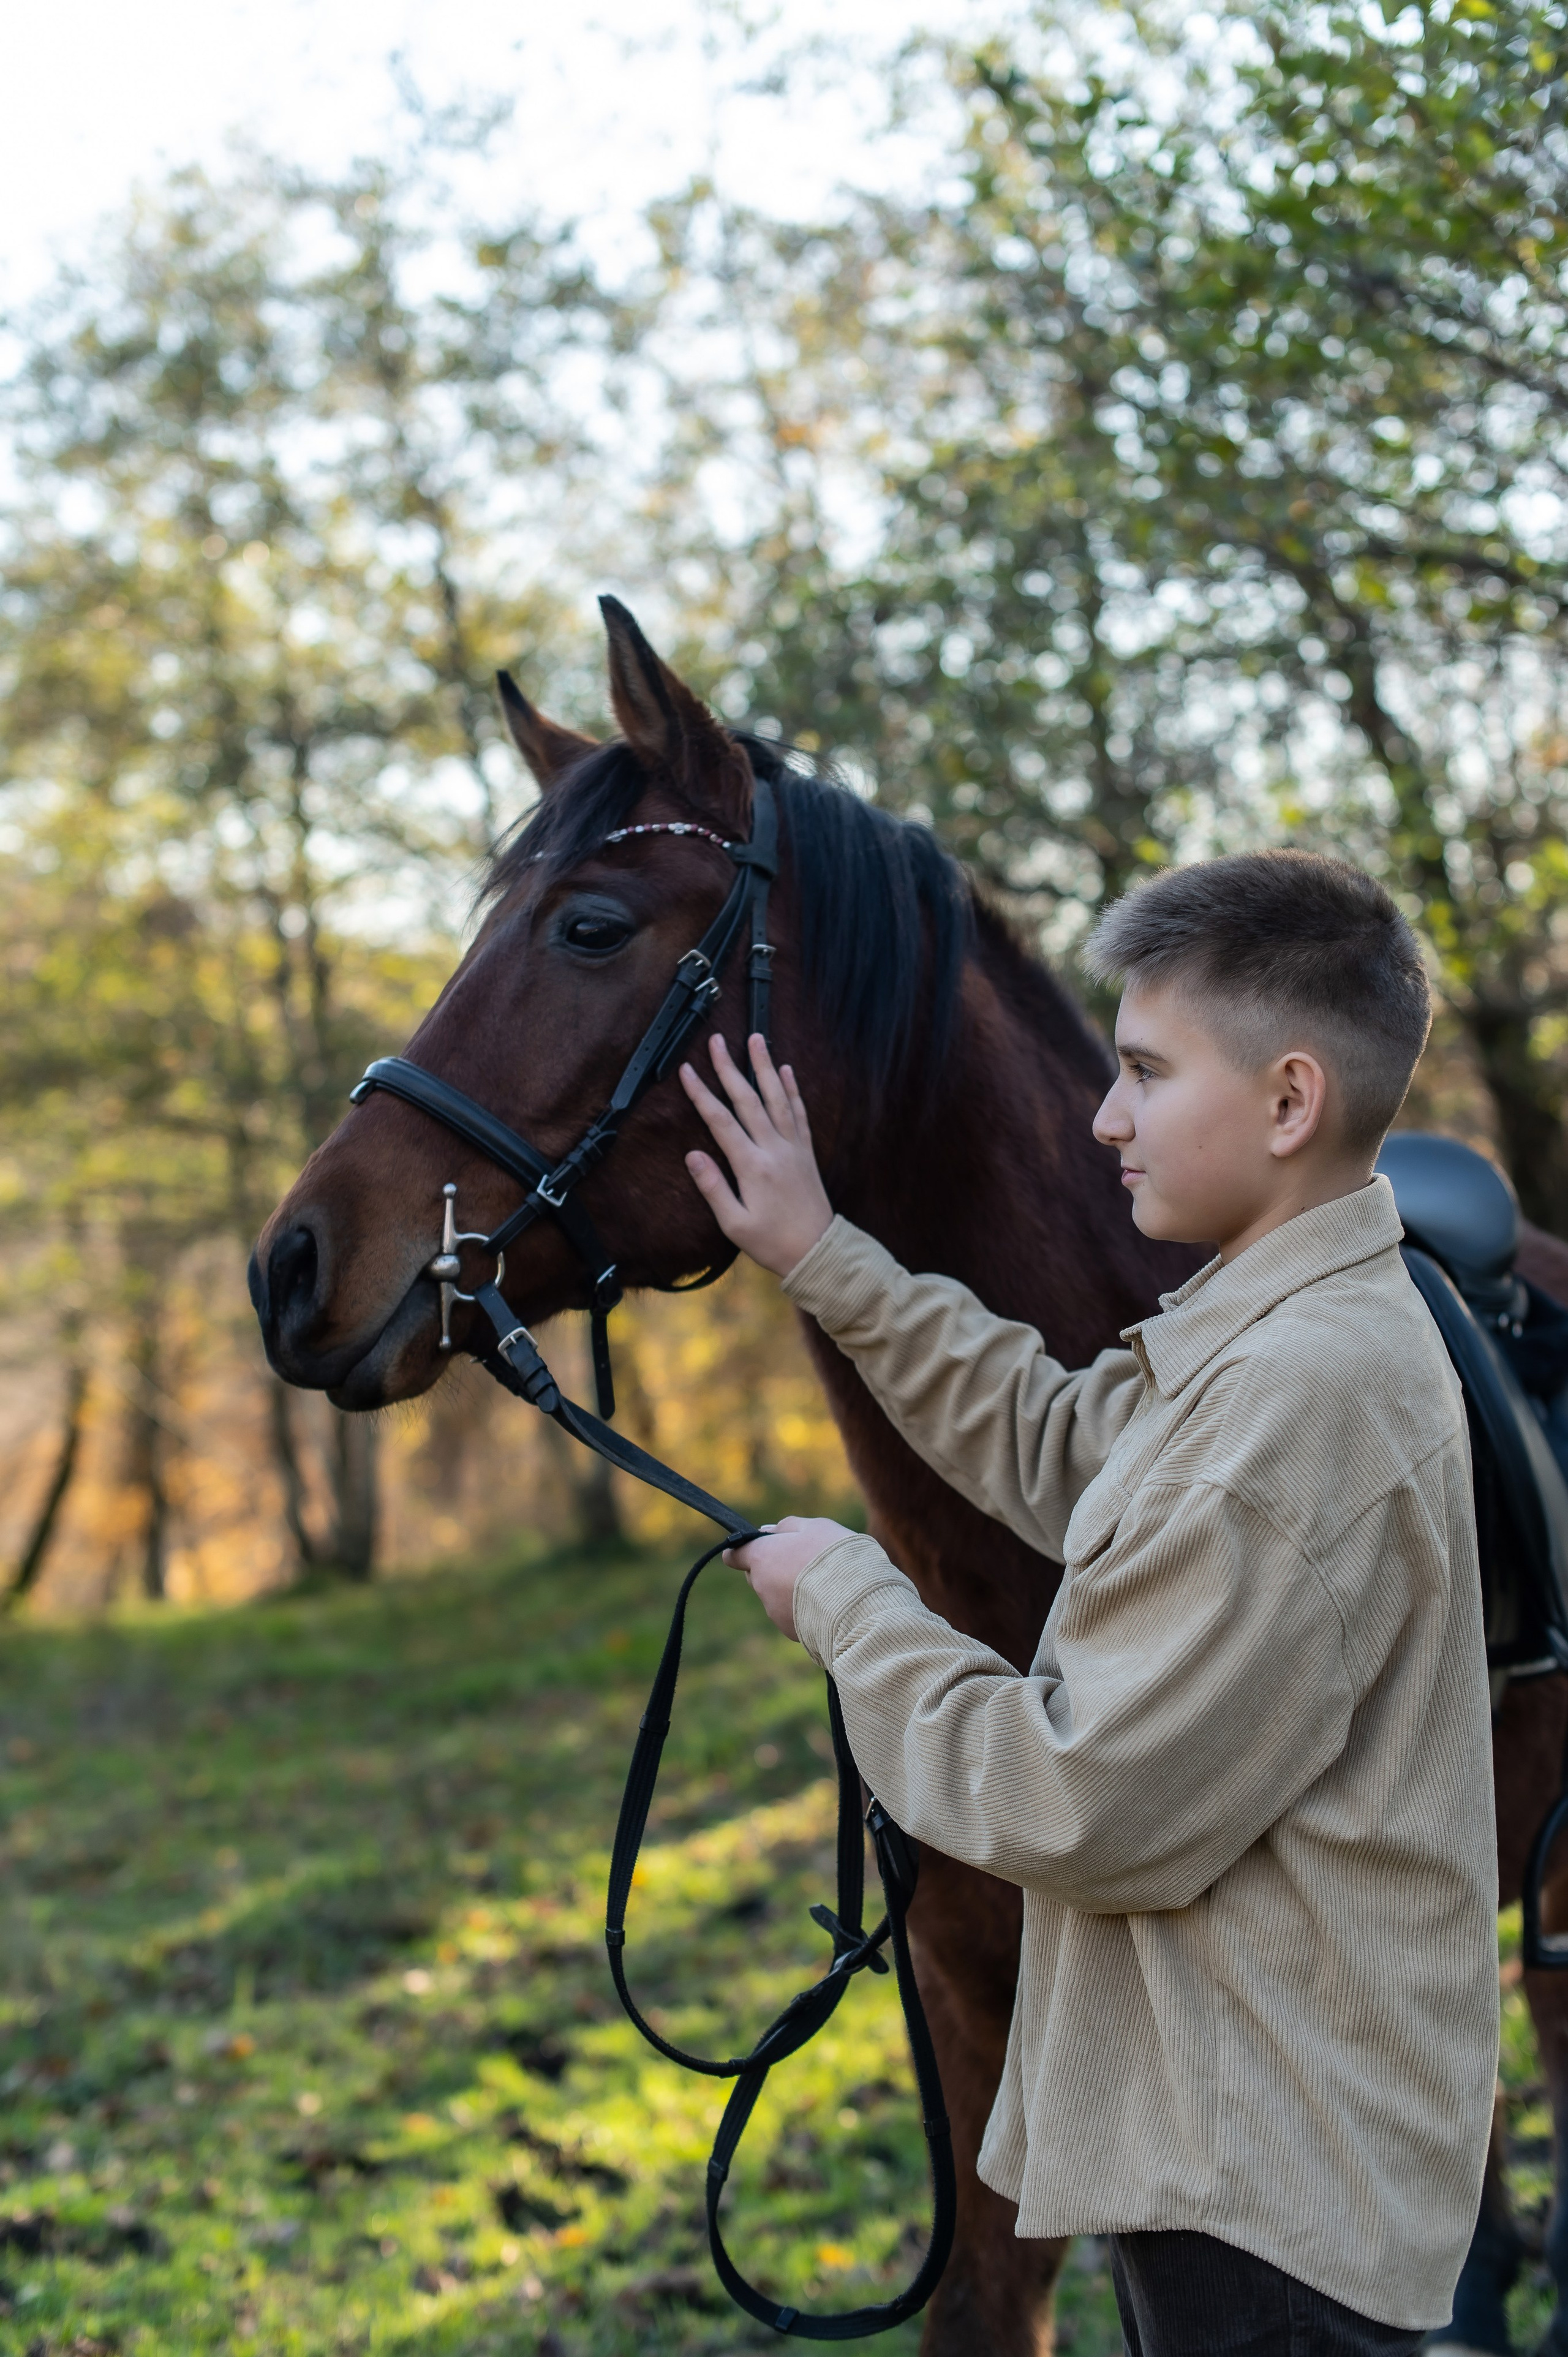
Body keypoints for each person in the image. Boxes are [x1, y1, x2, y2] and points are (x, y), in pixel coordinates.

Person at [676, 849, 1496, 2357]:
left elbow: (1076, 1802)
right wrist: (821, 1255)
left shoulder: (1295, 1402)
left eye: (1139, 1071)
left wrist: (849, 1601)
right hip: (1250, 2143)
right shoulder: (1271, 1332)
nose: (1102, 1114)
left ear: (1286, 1100)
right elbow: (1066, 1450)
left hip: (1267, 2194)